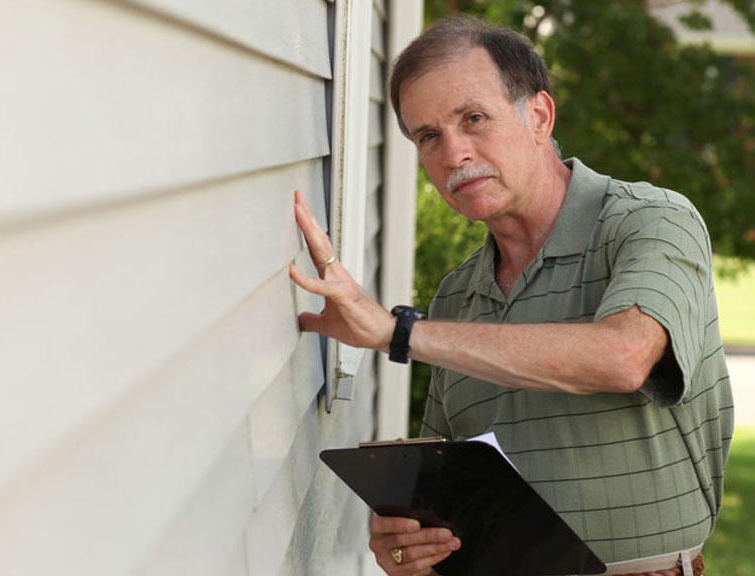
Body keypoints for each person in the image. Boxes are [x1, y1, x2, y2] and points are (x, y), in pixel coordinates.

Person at [290, 16, 733, 576]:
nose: (453, 153)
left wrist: (396, 331)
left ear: (539, 117)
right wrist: (411, 546)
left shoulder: (651, 221)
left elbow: (624, 357)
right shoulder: (457, 295)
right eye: (428, 136)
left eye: (473, 118)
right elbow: (445, 488)